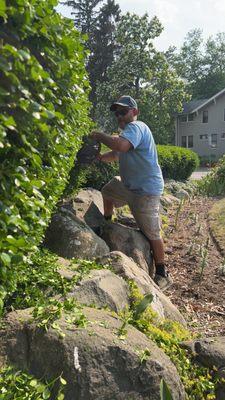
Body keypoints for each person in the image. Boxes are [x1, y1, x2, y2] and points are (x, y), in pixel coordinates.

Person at [91, 95, 172, 290]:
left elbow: (120, 146)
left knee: (151, 232)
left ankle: (162, 272)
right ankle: (107, 224)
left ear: (134, 112)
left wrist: (98, 135)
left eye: (123, 111)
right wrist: (101, 158)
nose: (119, 116)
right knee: (108, 190)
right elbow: (116, 154)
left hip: (146, 191)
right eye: (117, 113)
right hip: (128, 187)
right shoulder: (127, 134)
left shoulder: (137, 128)